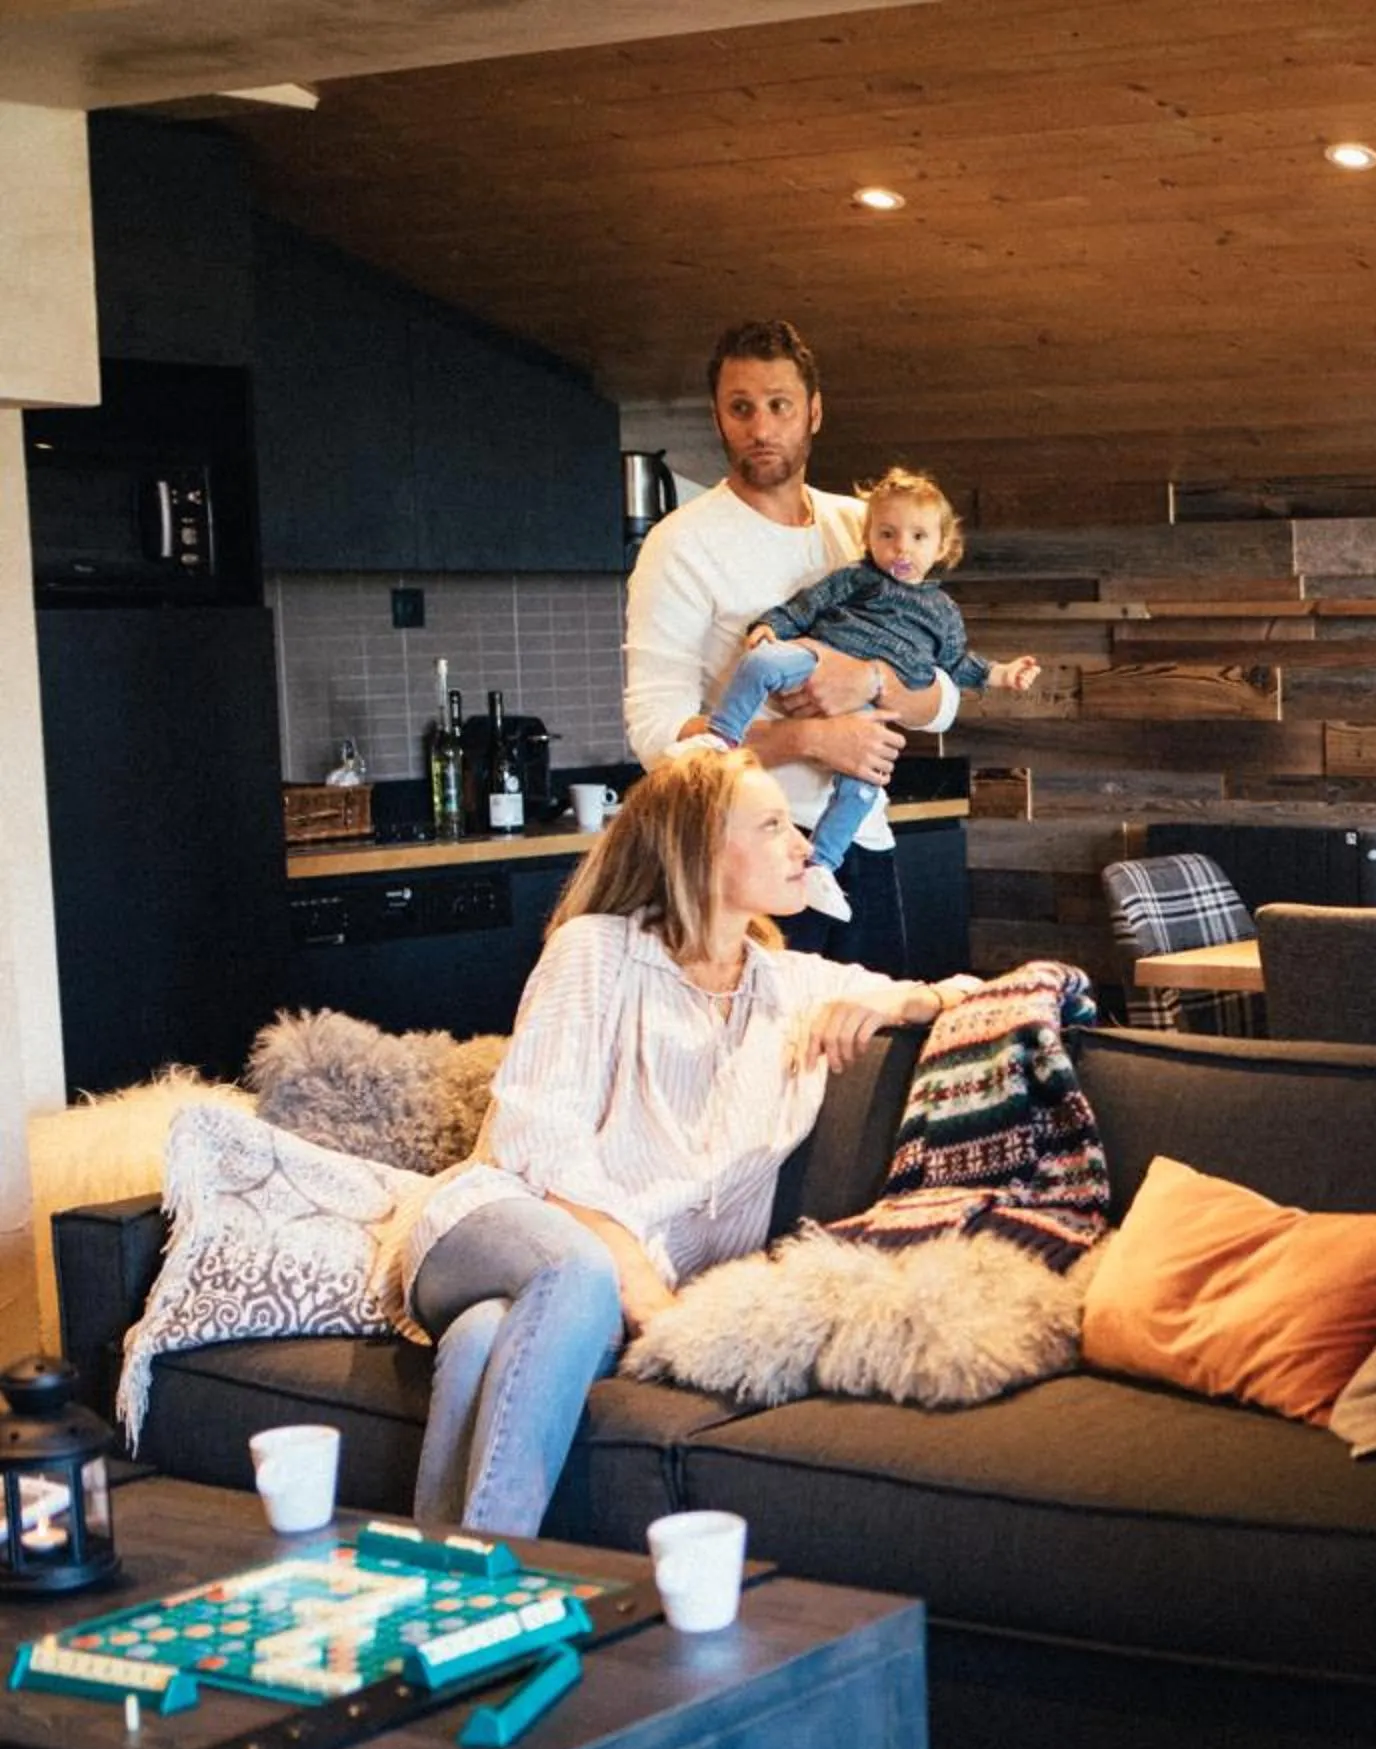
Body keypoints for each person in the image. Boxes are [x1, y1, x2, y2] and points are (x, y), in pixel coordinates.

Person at [393, 747, 984, 1532]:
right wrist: (637, 1280)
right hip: (492, 1223)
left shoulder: (793, 985)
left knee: (482, 1339)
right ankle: (499, 1574)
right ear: (698, 850)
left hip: (566, 1290)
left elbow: (982, 993)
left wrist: (910, 1002)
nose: (802, 844)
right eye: (771, 824)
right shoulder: (597, 950)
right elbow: (536, 1143)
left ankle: (437, 1591)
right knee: (578, 1273)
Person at [625, 318, 956, 970]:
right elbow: (653, 732)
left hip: (862, 841)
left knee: (876, 1051)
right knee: (768, 1062)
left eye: (779, 405)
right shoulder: (681, 543)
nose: (760, 427)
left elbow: (943, 697)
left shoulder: (865, 529)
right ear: (719, 419)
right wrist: (803, 741)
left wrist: (869, 682)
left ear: (814, 412)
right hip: (743, 859)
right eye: (740, 408)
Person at [694, 466, 1037, 923]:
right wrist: (767, 629)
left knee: (861, 792)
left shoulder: (943, 613)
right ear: (869, 536)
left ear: (942, 547)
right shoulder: (854, 579)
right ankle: (722, 738)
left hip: (866, 714)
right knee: (760, 663)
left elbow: (958, 666)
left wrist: (1004, 673)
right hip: (816, 660)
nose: (901, 548)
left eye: (918, 537)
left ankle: (822, 866)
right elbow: (804, 609)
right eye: (888, 534)